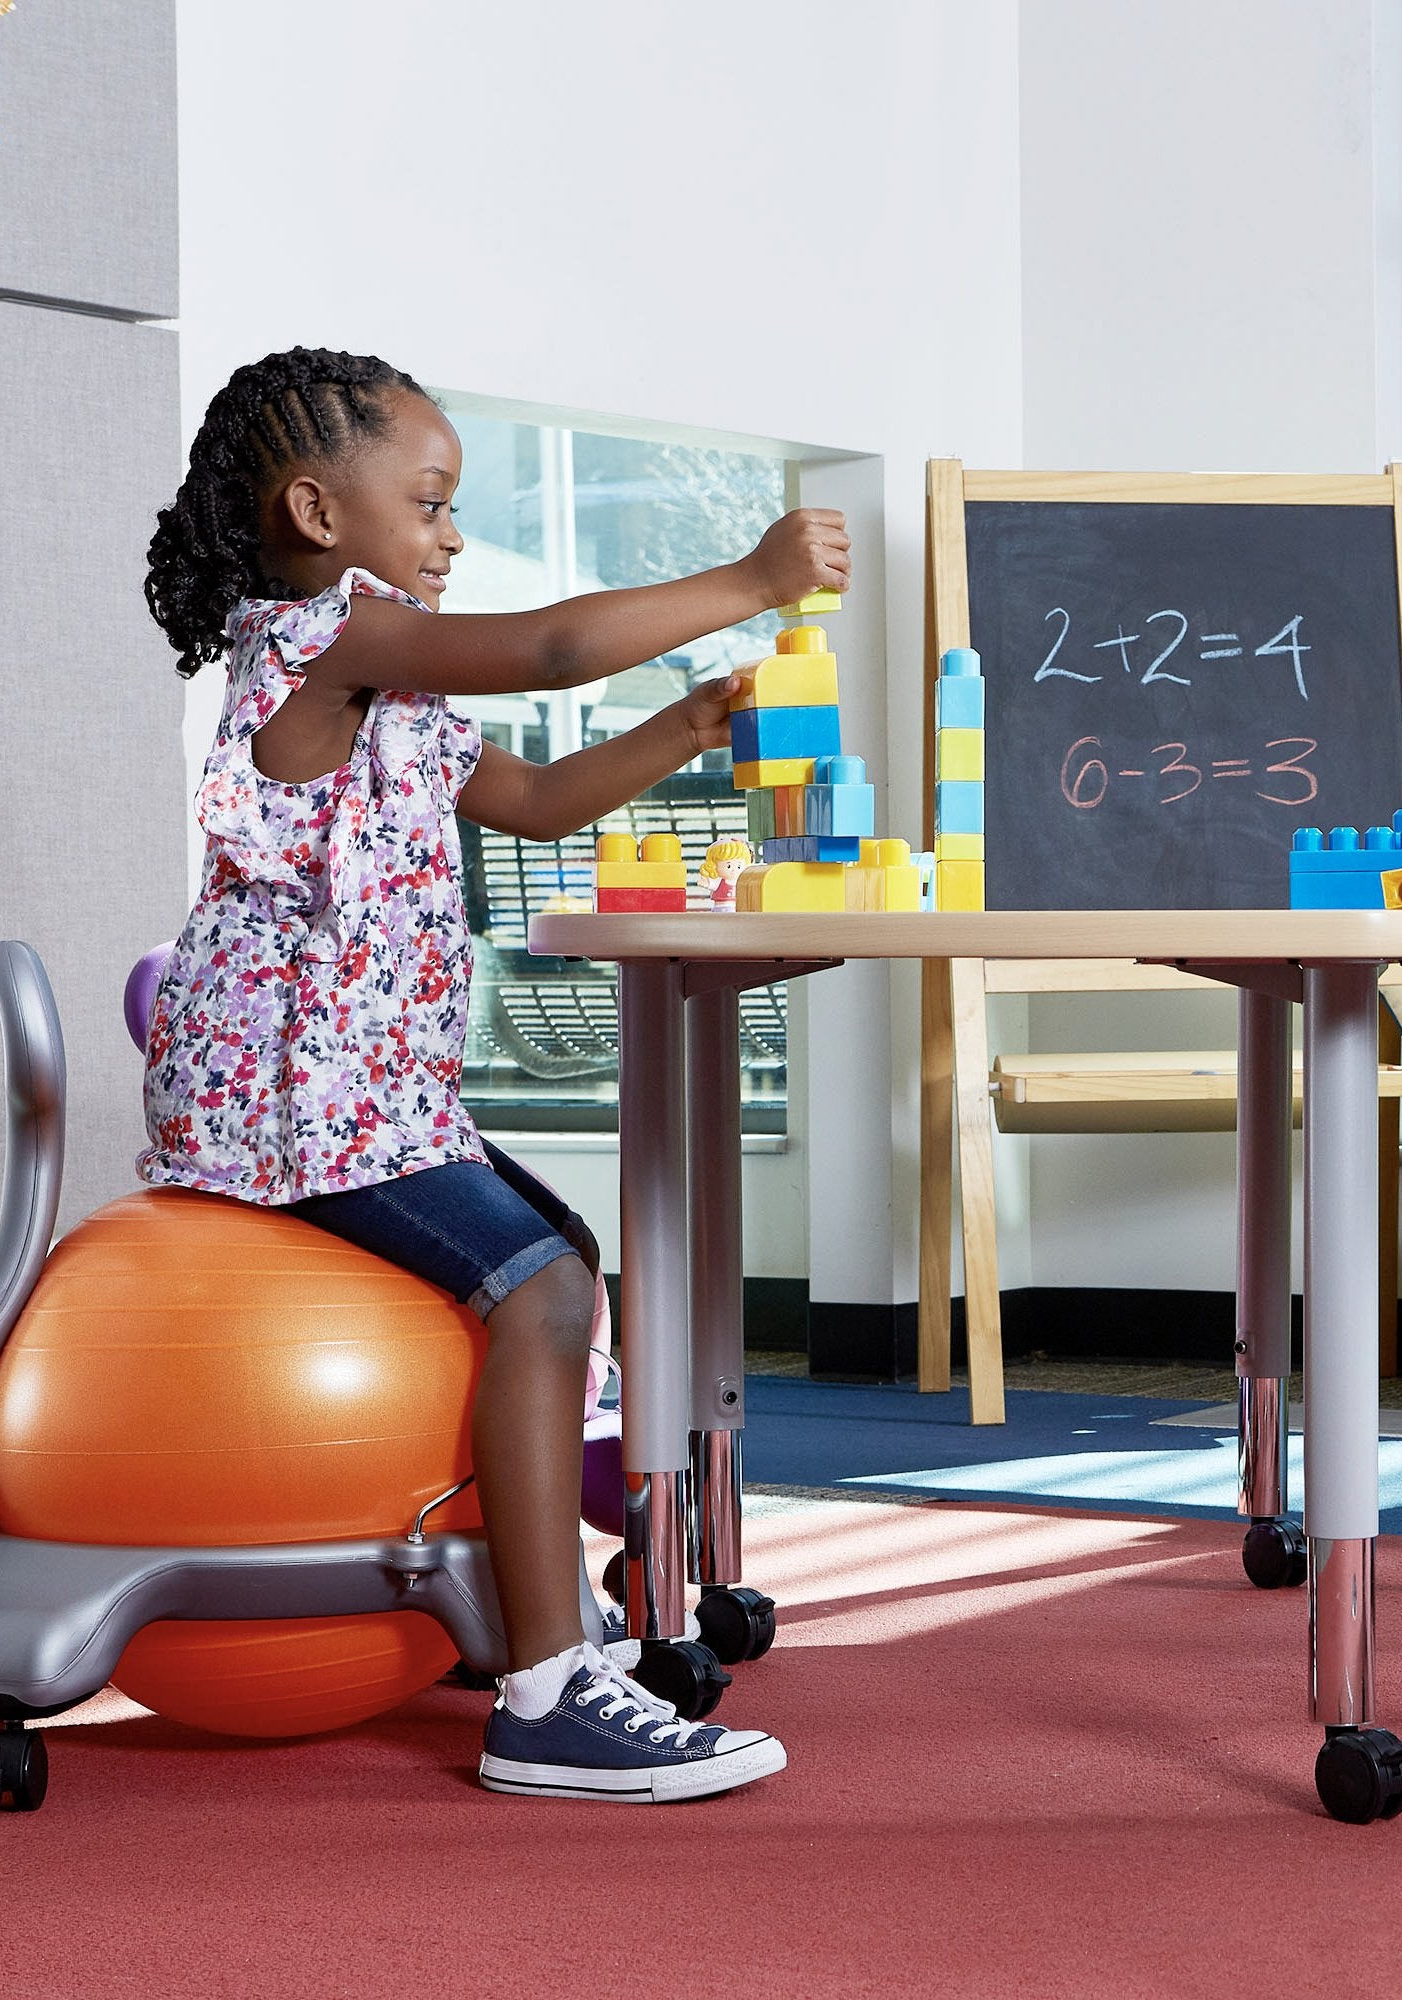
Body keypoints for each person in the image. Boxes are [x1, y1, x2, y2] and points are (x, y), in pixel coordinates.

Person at [138, 346, 849, 1803]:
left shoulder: (383, 677)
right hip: (290, 1096)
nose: (454, 535)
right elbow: (549, 650)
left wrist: (692, 726)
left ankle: (543, 1615)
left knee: (563, 1263)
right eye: (434, 502)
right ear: (320, 514)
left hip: (364, 1093)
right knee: (544, 1291)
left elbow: (528, 799)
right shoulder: (324, 640)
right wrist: (750, 576)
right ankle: (540, 1693)